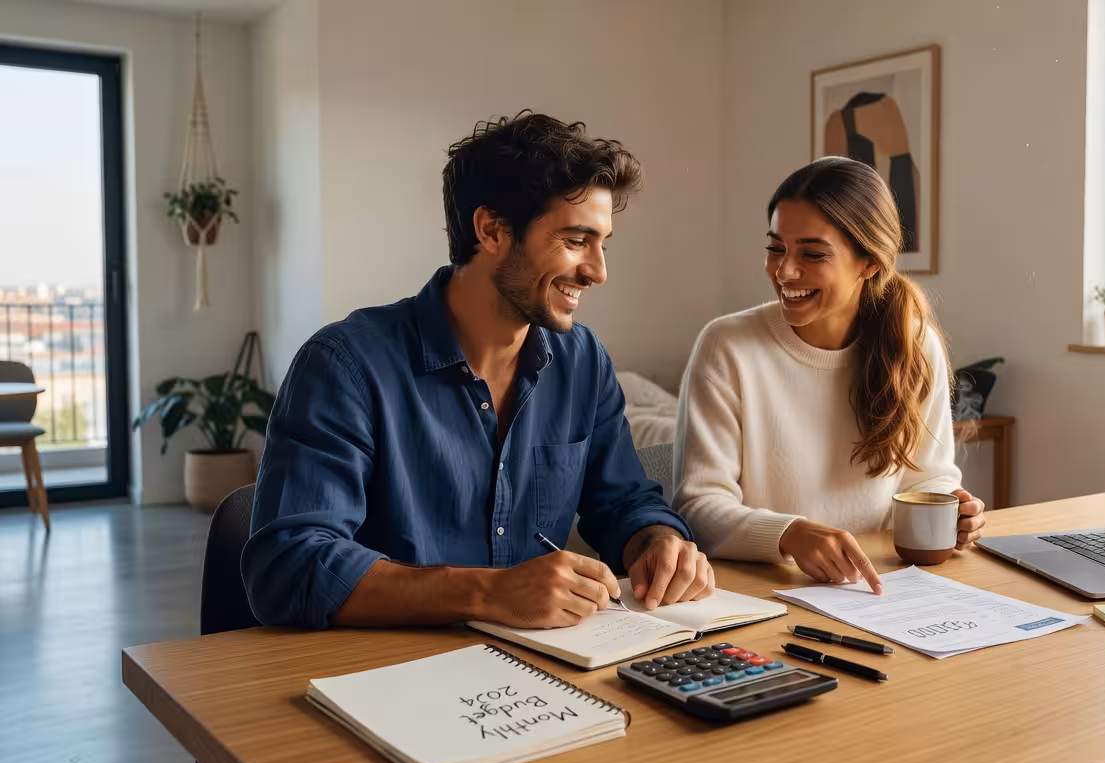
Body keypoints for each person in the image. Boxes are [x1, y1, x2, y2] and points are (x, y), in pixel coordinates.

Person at [243, 113, 714, 630]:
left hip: (544, 674)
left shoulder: (583, 361)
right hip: (387, 676)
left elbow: (625, 500)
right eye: (577, 241)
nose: (599, 271)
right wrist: (489, 592)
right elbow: (289, 566)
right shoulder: (344, 366)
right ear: (491, 230)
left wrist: (659, 542)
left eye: (603, 244)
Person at [673, 156, 986, 594]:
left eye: (812, 254)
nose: (784, 271)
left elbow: (927, 478)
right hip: (760, 594)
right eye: (775, 247)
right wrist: (790, 533)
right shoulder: (727, 346)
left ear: (869, 264)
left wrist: (950, 512)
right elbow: (697, 508)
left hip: (878, 592)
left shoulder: (916, 346)